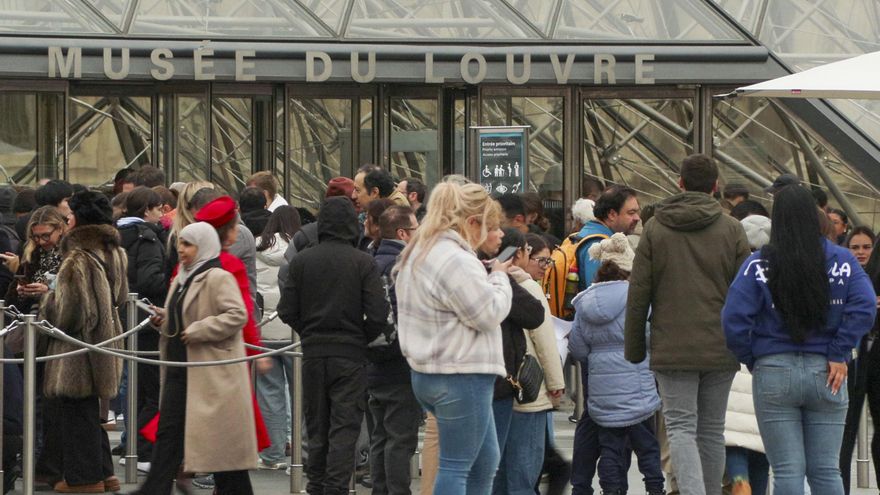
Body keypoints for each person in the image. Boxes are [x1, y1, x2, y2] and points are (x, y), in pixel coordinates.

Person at [723, 184, 877, 494]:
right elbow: (864, 307)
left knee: (788, 471)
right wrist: (839, 349)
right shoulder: (843, 262)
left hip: (774, 370)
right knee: (825, 470)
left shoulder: (758, 265)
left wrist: (754, 357)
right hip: (828, 371)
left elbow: (732, 320)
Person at [625, 154, 750, 495]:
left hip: (671, 346)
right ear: (715, 187)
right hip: (720, 346)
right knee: (712, 429)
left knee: (680, 427)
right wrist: (746, 344)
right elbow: (744, 292)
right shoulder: (732, 229)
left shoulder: (655, 228)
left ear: (679, 183)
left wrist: (634, 347)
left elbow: (639, 293)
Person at [395, 182, 513, 494]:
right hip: (460, 373)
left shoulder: (418, 252)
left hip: (429, 371)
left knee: (485, 460)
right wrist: (500, 278)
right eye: (488, 226)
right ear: (472, 222)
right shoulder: (454, 258)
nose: (491, 234)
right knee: (457, 465)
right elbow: (487, 313)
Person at [278, 196, 389, 495]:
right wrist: (360, 337)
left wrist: (309, 331)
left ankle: (316, 485)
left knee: (317, 426)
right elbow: (378, 313)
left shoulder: (302, 261)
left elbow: (287, 310)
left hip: (313, 352)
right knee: (345, 427)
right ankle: (336, 488)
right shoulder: (363, 262)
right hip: (351, 354)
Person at [133, 222, 255, 495]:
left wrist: (200, 329)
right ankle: (155, 488)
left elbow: (237, 315)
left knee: (217, 441)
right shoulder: (184, 276)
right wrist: (163, 320)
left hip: (209, 370)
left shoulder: (217, 277)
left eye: (188, 244)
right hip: (185, 367)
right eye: (180, 243)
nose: (181, 249)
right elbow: (182, 314)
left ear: (203, 246)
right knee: (169, 432)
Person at [39, 190, 128, 493]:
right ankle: (104, 473)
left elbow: (71, 313)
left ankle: (84, 479)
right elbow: (119, 297)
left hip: (77, 349)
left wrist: (47, 301)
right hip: (106, 341)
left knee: (75, 414)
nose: (66, 221)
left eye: (70, 216)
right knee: (90, 413)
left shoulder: (77, 257)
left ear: (79, 218)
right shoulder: (113, 251)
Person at [569, 233, 664, 495]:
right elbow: (650, 338)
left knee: (610, 446)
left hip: (602, 392)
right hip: (638, 386)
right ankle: (655, 489)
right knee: (647, 445)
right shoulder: (638, 299)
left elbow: (577, 347)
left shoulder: (584, 303)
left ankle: (611, 489)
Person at [571, 185, 641, 494]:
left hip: (593, 349)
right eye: (631, 212)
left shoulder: (578, 238)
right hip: (612, 351)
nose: (636, 218)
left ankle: (582, 483)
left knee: (592, 417)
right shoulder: (601, 247)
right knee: (617, 423)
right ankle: (609, 485)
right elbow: (602, 302)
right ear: (611, 214)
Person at [493, 231, 565, 495]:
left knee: (498, 470)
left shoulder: (486, 281)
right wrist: (556, 383)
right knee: (524, 470)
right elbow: (545, 340)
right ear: (518, 254)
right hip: (528, 390)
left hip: (497, 389)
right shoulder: (527, 287)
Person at [477, 228, 544, 494]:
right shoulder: (492, 274)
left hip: (474, 378)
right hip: (496, 379)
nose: (499, 232)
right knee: (487, 462)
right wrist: (504, 278)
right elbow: (534, 314)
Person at [367, 205, 421, 495]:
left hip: (373, 360)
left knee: (380, 435)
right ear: (402, 233)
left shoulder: (371, 261)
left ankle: (380, 490)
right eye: (415, 229)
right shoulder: (404, 264)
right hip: (401, 360)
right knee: (401, 438)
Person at [116, 186, 168, 472]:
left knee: (135, 388)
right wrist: (172, 283)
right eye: (158, 208)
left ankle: (132, 446)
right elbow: (150, 280)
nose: (162, 213)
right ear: (146, 210)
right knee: (153, 391)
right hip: (148, 320)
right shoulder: (146, 239)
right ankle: (144, 450)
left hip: (128, 319)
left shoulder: (119, 235)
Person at [254, 205, 301, 470]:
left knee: (269, 393)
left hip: (263, 330)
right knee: (301, 393)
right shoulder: (299, 247)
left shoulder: (256, 247)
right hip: (293, 331)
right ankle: (301, 450)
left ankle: (272, 454)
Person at [840, 226, 879, 494]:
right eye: (855, 247)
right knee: (844, 432)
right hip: (848, 360)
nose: (861, 252)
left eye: (866, 247)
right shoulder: (841, 276)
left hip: (873, 358)